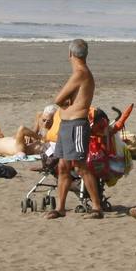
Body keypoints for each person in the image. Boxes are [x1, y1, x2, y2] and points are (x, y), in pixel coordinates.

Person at [47, 38, 96, 219]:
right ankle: (60, 208)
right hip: (67, 125)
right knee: (63, 166)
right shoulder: (81, 73)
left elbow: (59, 99)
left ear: (70, 54)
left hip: (76, 126)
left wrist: (65, 102)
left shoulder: (80, 73)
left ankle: (97, 207)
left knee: (81, 166)